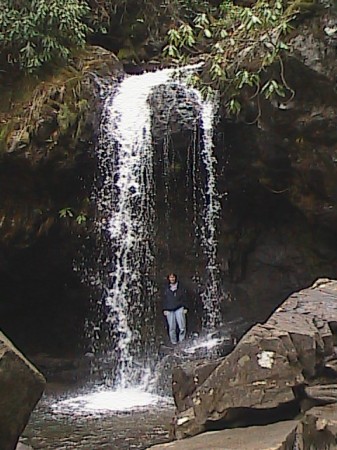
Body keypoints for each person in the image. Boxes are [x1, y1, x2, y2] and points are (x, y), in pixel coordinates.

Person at [163, 273, 187, 345]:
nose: (172, 279)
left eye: (173, 277)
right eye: (170, 277)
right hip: (169, 309)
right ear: (168, 278)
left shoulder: (180, 287)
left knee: (182, 327)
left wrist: (185, 307)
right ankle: (173, 343)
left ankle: (182, 341)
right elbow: (163, 299)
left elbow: (185, 297)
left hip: (179, 308)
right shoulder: (166, 288)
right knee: (171, 328)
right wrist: (164, 309)